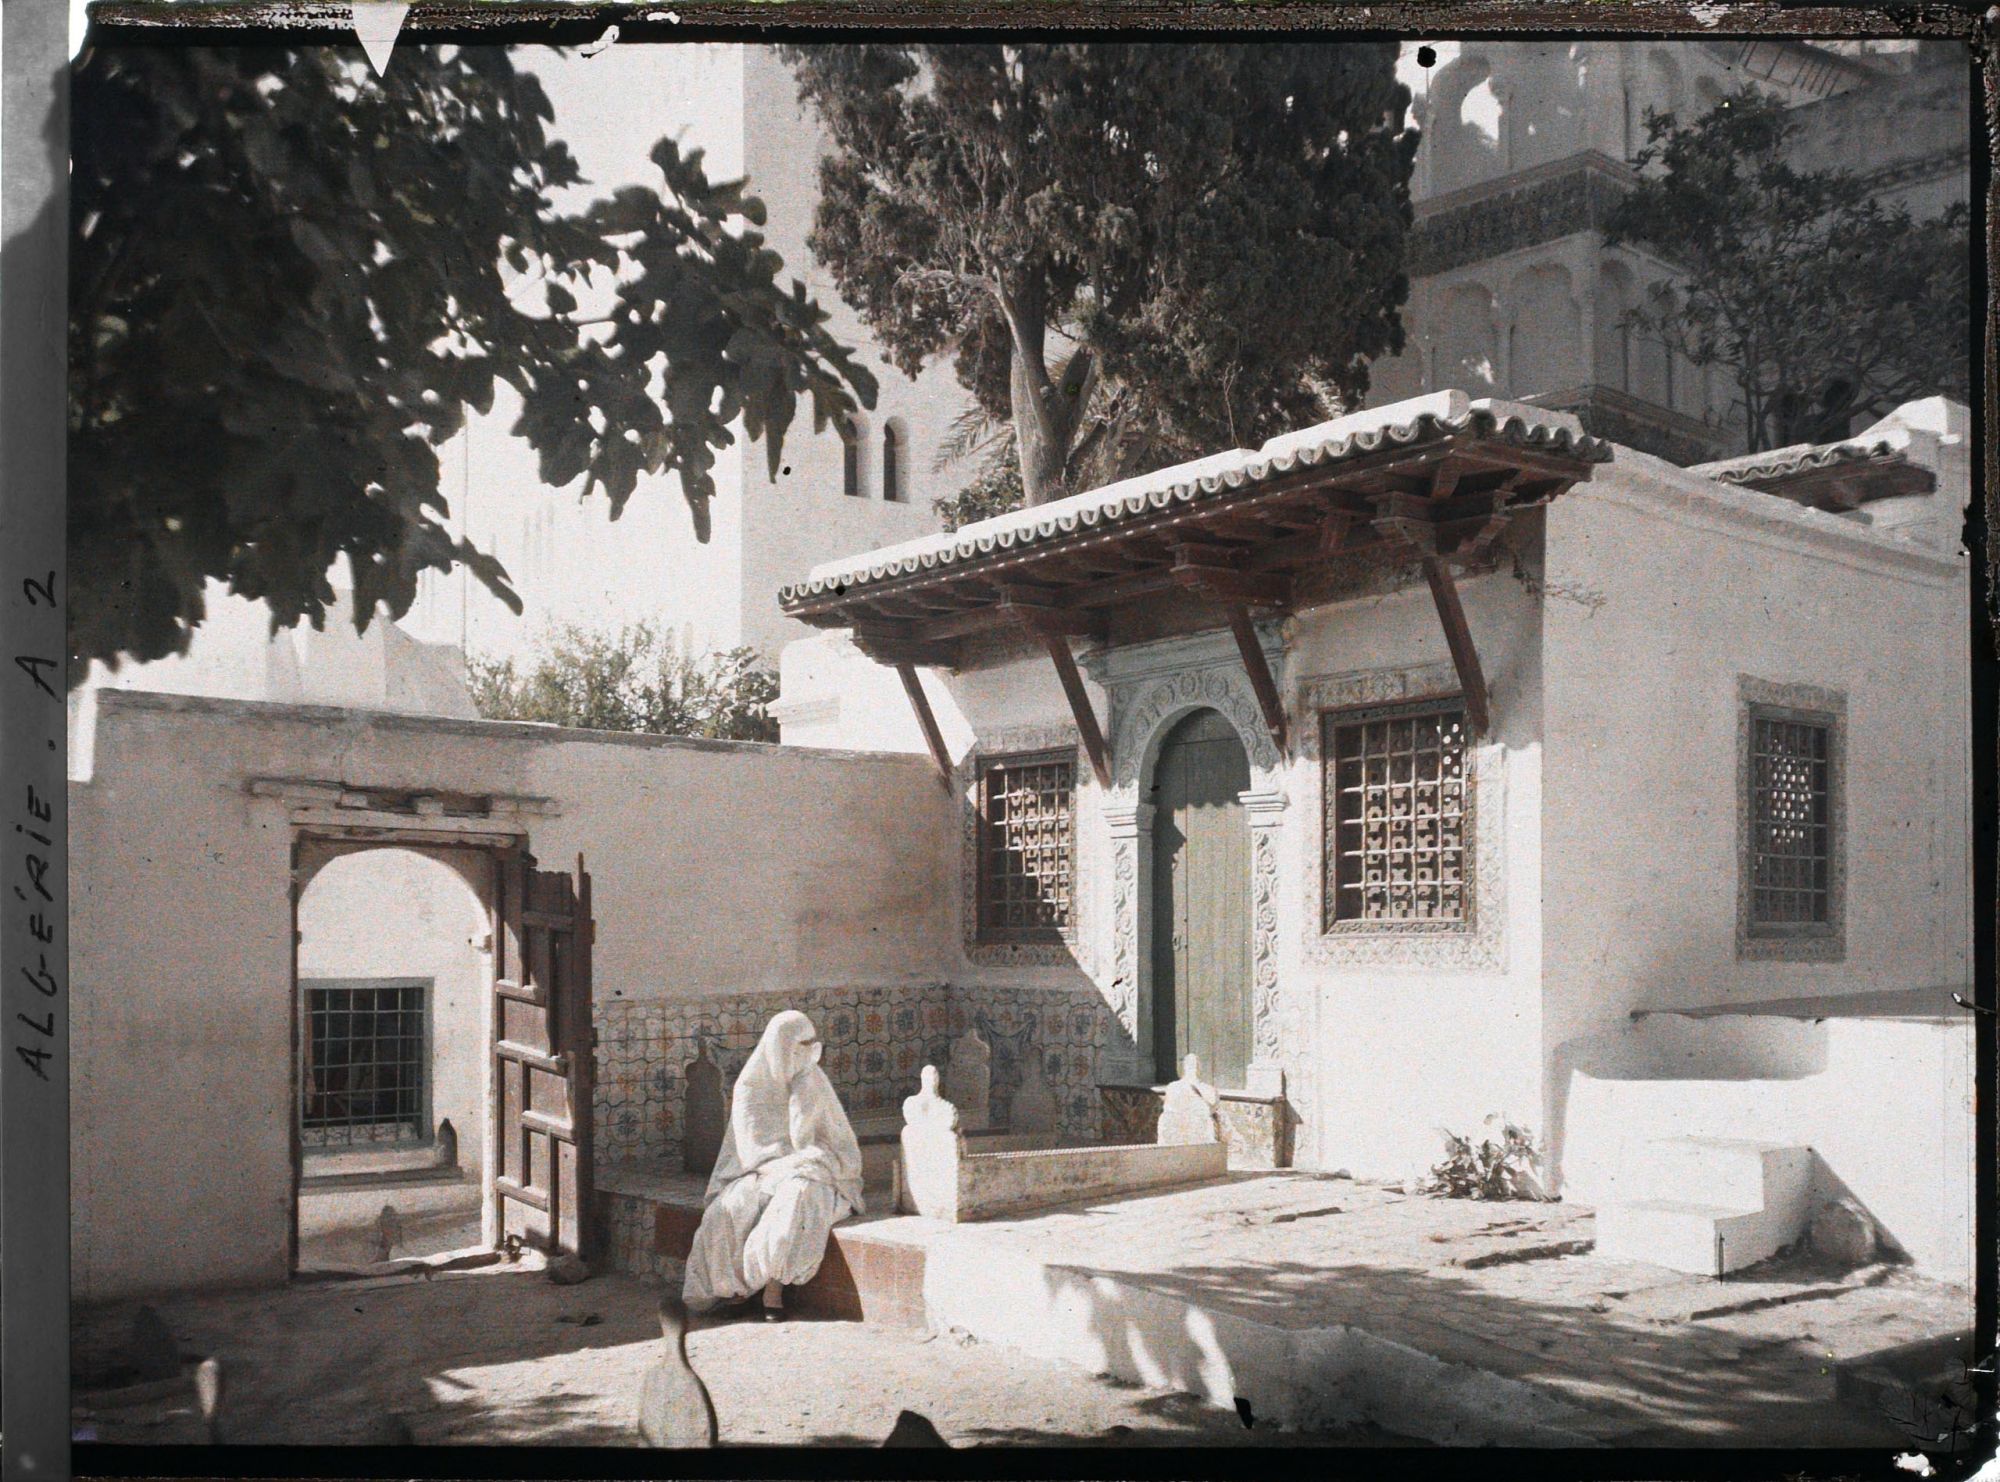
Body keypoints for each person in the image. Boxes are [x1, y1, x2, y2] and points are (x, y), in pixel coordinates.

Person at [681, 1010, 863, 1320]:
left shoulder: (813, 1080)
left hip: (815, 1170)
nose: (805, 1053)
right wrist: (784, 1164)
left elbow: (834, 1141)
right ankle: (733, 1290)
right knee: (731, 1207)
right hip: (761, 1169)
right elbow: (752, 1149)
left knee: (798, 1196)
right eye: (796, 1046)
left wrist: (806, 1152)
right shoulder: (751, 1087)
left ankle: (773, 1290)